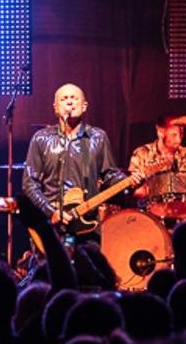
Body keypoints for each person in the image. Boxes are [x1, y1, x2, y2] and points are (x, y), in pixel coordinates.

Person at [22, 83, 142, 234]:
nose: (69, 102)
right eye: (64, 99)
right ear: (56, 108)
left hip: (88, 222)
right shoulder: (41, 139)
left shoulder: (98, 137)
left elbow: (109, 176)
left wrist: (129, 181)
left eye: (74, 98)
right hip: (52, 224)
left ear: (84, 106)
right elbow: (29, 183)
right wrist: (50, 211)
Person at [128, 113, 186, 205]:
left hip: (183, 211)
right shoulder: (141, 154)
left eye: (181, 134)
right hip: (150, 212)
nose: (179, 140)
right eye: (174, 135)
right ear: (160, 132)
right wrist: (151, 191)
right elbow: (131, 190)